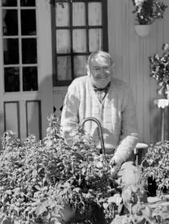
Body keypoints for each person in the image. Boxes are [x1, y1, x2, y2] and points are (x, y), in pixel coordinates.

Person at [60, 50, 142, 201]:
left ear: (112, 67)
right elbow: (67, 128)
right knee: (73, 193)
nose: (102, 72)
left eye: (106, 68)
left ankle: (127, 216)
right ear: (88, 69)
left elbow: (131, 133)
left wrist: (117, 160)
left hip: (117, 157)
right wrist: (90, 157)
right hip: (84, 159)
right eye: (96, 68)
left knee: (133, 184)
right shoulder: (77, 87)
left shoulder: (123, 89)